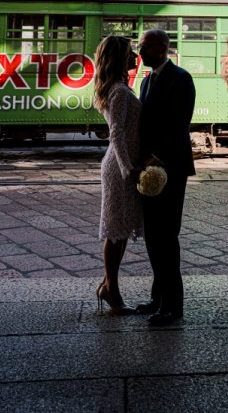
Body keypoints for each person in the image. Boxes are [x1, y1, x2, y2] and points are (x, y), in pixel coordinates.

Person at [136, 28, 196, 326]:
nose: (140, 51)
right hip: (148, 168)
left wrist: (156, 155)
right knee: (152, 235)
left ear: (161, 47)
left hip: (170, 167)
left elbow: (178, 124)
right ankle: (158, 297)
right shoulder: (147, 81)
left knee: (167, 236)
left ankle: (173, 305)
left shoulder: (181, 78)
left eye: (144, 46)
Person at [93, 35, 142, 314]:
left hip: (119, 164)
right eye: (130, 52)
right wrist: (128, 168)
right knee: (115, 232)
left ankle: (107, 286)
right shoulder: (120, 91)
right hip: (120, 167)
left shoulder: (114, 87)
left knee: (120, 230)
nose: (135, 56)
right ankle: (112, 291)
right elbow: (117, 133)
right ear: (119, 57)